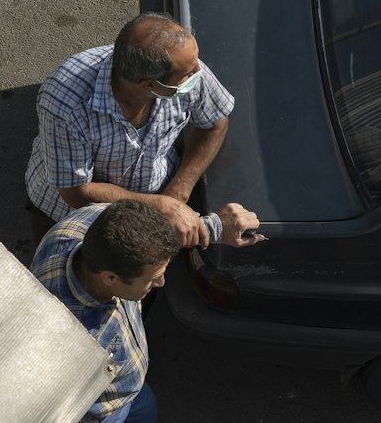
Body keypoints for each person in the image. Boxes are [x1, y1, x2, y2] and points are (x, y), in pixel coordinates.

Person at [34, 197, 260, 423]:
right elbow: (17, 387)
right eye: (152, 279)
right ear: (110, 277)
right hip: (89, 420)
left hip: (128, 388)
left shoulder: (92, 224)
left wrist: (214, 227)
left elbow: (153, 234)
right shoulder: (62, 332)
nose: (162, 281)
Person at [24, 13, 234, 248]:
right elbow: (76, 192)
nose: (199, 72)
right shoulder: (65, 103)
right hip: (73, 217)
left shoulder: (185, 67)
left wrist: (179, 191)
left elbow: (215, 122)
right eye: (189, 72)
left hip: (157, 206)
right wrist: (160, 207)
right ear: (151, 85)